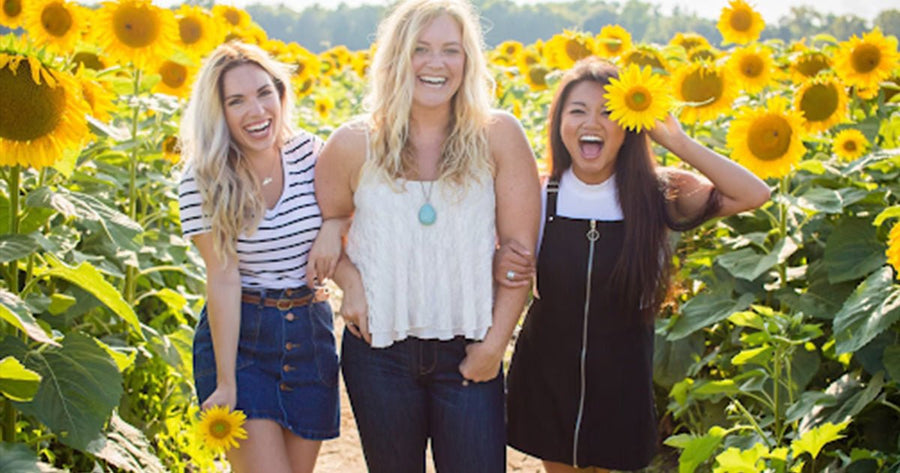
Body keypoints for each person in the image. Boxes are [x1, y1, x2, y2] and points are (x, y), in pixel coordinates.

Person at [497, 57, 771, 472]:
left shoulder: (658, 193)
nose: (593, 122)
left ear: (630, 126)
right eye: (578, 111)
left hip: (621, 381)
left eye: (609, 112)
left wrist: (675, 140)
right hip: (547, 373)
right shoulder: (539, 192)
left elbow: (753, 193)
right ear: (559, 124)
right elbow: (500, 259)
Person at [314, 0, 541, 471]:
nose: (436, 63)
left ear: (468, 61)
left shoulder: (499, 136)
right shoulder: (352, 143)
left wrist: (494, 348)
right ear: (396, 58)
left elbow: (520, 259)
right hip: (378, 355)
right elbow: (325, 231)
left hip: (469, 353)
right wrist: (349, 281)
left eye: (450, 51)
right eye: (420, 49)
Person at [177, 41, 342, 473]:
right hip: (243, 339)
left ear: (281, 94)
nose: (256, 111)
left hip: (310, 334)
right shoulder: (202, 179)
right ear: (219, 113)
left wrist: (333, 228)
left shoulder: (311, 153)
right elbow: (223, 278)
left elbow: (344, 213)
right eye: (237, 101)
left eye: (264, 93)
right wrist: (227, 380)